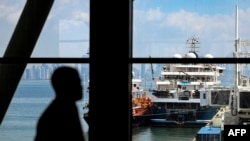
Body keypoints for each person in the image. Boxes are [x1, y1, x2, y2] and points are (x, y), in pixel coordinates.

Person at [34, 66, 85, 141]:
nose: (81, 87)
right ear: (66, 86)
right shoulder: (64, 111)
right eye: (76, 82)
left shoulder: (65, 107)